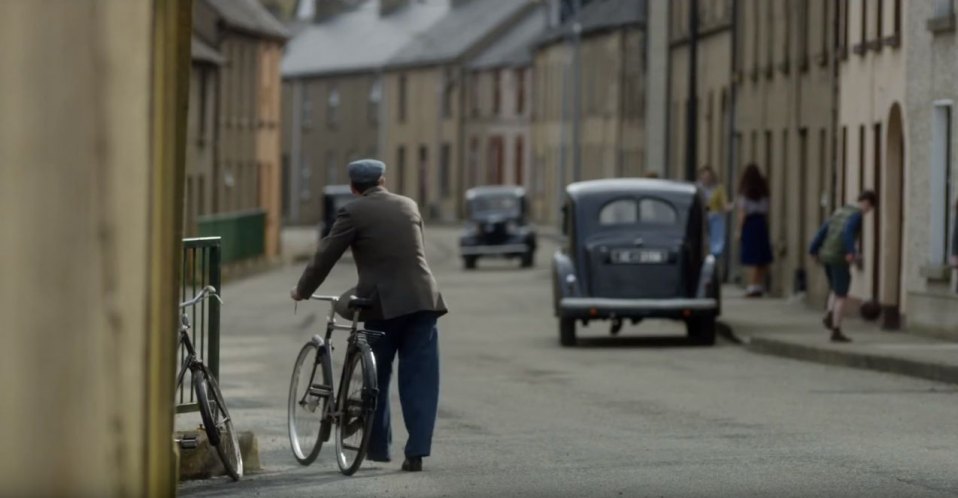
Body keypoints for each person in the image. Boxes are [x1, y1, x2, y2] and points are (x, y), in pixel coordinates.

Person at [290, 159, 447, 472]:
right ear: (383, 180)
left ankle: (375, 448)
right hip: (423, 301)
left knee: (376, 376)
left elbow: (325, 256)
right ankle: (416, 452)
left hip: (381, 307)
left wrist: (303, 290)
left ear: (353, 187)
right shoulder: (409, 206)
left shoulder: (353, 212)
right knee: (420, 379)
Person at [809, 190, 877, 343]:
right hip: (839, 256)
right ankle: (836, 330)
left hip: (826, 254)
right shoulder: (856, 215)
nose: (867, 212)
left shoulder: (840, 211)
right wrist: (851, 252)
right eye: (870, 208)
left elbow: (824, 230)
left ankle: (829, 314)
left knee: (834, 288)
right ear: (867, 203)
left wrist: (813, 249)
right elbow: (848, 233)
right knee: (841, 294)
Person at [736, 164, 774, 297]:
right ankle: (758, 285)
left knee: (751, 256)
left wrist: (739, 230)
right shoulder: (764, 190)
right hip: (761, 223)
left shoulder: (745, 192)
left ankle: (752, 286)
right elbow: (767, 208)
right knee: (761, 257)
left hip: (750, 224)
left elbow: (742, 212)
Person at [697, 166, 733, 257]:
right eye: (704, 176)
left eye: (708, 176)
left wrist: (729, 206)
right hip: (701, 217)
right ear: (701, 177)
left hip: (715, 216)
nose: (706, 179)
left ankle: (714, 255)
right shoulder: (697, 187)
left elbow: (724, 203)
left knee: (716, 239)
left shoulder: (719, 188)